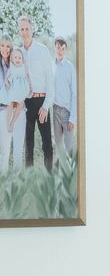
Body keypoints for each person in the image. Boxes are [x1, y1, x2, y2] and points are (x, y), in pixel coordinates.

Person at [18, 17, 54, 170]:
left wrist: (46, 106)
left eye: (27, 29)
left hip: (42, 102)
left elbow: (50, 81)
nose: (25, 32)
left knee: (47, 143)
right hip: (27, 103)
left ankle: (49, 177)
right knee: (29, 144)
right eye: (22, 29)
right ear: (19, 31)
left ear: (32, 30)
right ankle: (29, 178)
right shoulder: (18, 53)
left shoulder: (42, 50)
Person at [49, 37, 76, 160]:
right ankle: (60, 171)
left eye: (63, 48)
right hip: (55, 111)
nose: (60, 51)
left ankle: (70, 172)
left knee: (69, 148)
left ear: (65, 50)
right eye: (58, 47)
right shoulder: (51, 66)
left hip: (67, 112)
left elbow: (74, 93)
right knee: (58, 148)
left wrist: (72, 118)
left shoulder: (69, 67)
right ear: (55, 48)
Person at [0, 40, 23, 172]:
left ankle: (2, 180)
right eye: (2, 45)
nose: (5, 49)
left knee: (5, 150)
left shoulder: (15, 66)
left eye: (8, 46)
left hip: (6, 110)